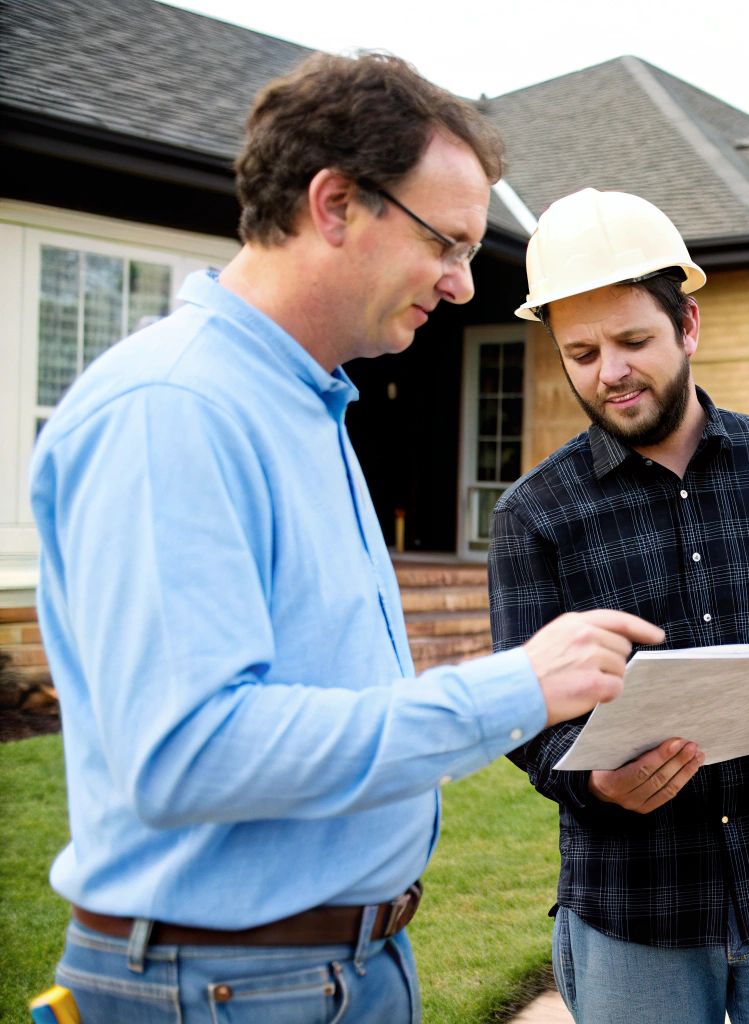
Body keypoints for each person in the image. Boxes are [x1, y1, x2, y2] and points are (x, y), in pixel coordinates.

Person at [29, 53, 660, 1022]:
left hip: (330, 968)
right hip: (229, 985)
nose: (459, 284)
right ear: (333, 204)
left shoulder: (302, 404)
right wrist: (517, 685)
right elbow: (189, 752)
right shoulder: (173, 409)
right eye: (446, 244)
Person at [490, 188, 749, 1023]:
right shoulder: (534, 517)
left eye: (634, 340)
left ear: (689, 327)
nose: (610, 372)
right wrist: (596, 782)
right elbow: (527, 717)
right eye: (582, 351)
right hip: (635, 914)